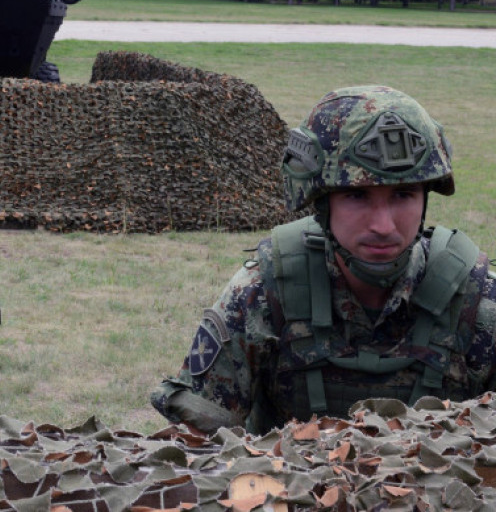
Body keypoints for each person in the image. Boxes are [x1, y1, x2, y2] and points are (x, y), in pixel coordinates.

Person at [151, 85, 496, 435]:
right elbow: (196, 446)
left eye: (403, 195)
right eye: (356, 195)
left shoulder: (477, 303)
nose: (383, 225)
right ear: (320, 202)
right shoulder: (263, 295)